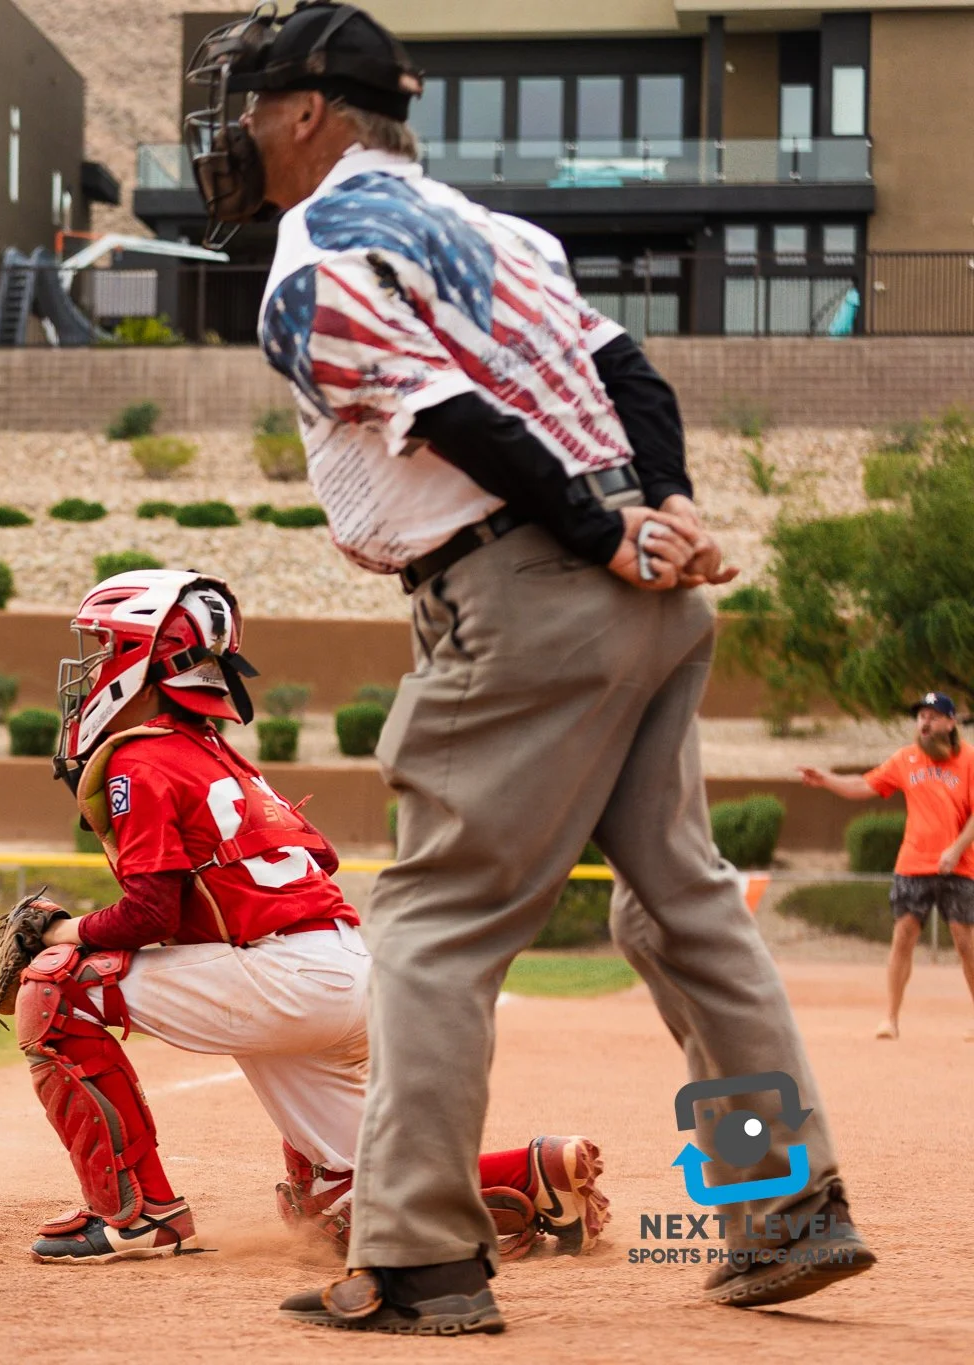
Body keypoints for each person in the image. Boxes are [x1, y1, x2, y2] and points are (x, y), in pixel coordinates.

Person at [182, 0, 872, 1330]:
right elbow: (630, 373)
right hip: (644, 600)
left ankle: (418, 1258)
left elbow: (451, 418)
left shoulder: (316, 250)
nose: (240, 130)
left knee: (434, 926)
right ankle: (785, 1211)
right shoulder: (500, 232)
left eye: (255, 104)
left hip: (525, 596)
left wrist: (598, 534)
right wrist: (660, 508)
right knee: (684, 911)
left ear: (310, 113)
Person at [0, 568, 609, 1268]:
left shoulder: (141, 758)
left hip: (287, 978)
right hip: (347, 971)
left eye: (106, 647)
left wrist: (64, 931)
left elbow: (151, 912)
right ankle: (537, 1171)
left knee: (57, 985)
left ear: (145, 661)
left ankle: (135, 1215)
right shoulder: (219, 754)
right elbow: (319, 858)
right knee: (336, 1198)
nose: (93, 665)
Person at [801, 690, 974, 1040]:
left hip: (958, 865)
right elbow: (862, 784)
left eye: (933, 716)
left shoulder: (969, 760)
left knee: (964, 942)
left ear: (950, 722)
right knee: (903, 937)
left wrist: (956, 849)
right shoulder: (905, 759)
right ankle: (890, 1019)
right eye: (921, 716)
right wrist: (827, 780)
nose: (925, 722)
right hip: (913, 863)